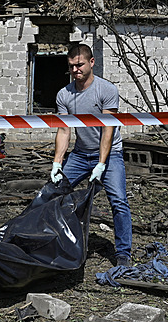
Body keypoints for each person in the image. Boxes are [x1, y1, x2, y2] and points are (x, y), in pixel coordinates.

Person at [49, 44, 132, 267]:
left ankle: (123, 254)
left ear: (91, 62)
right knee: (53, 192)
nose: (76, 70)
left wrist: (102, 163)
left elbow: (108, 130)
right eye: (71, 66)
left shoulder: (106, 90)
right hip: (80, 154)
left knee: (119, 201)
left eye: (80, 65)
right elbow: (64, 130)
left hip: (110, 153)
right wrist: (57, 163)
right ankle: (52, 242)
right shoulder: (64, 94)